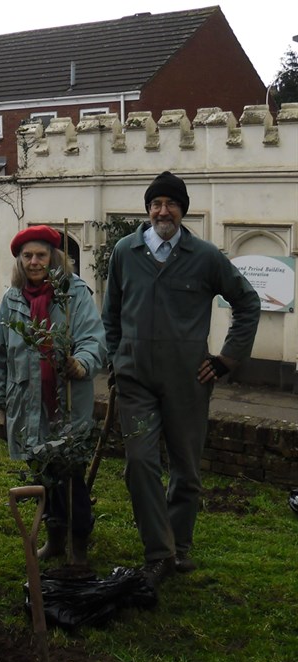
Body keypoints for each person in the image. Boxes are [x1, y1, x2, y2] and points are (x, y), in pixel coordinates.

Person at [102, 171, 261, 586]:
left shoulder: (204, 256)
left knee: (186, 470)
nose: (163, 210)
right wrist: (116, 358)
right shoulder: (125, 250)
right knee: (140, 463)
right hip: (135, 379)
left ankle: (180, 545)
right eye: (156, 203)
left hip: (188, 382)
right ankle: (159, 553)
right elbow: (111, 313)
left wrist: (227, 359)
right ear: (148, 209)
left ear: (182, 210)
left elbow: (247, 302)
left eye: (171, 203)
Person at [0, 225, 107, 563]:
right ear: (20, 261)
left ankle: (79, 547)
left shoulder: (73, 294)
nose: (34, 261)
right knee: (43, 476)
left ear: (54, 258)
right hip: (28, 406)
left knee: (70, 477)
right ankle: (55, 540)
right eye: (27, 256)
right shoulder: (12, 300)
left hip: (67, 404)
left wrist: (81, 363)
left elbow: (93, 339)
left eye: (41, 255)